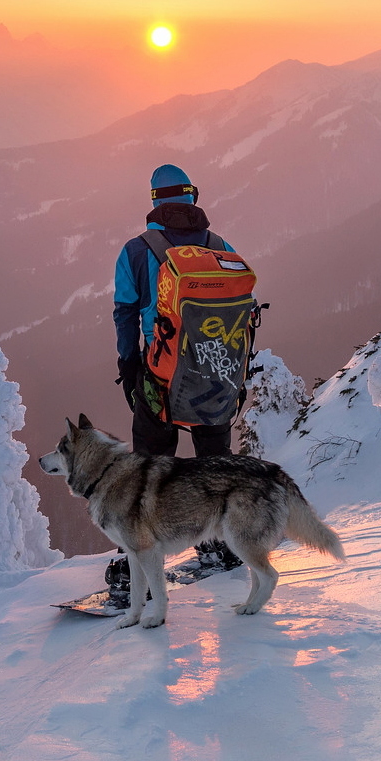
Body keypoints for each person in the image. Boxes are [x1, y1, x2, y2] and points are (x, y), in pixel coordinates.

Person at [105, 164, 243, 598]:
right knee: (214, 460)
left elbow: (125, 311)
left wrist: (129, 365)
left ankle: (143, 558)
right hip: (215, 371)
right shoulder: (221, 246)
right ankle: (218, 545)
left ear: (154, 201)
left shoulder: (136, 249)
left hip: (160, 373)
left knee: (150, 466)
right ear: (191, 198)